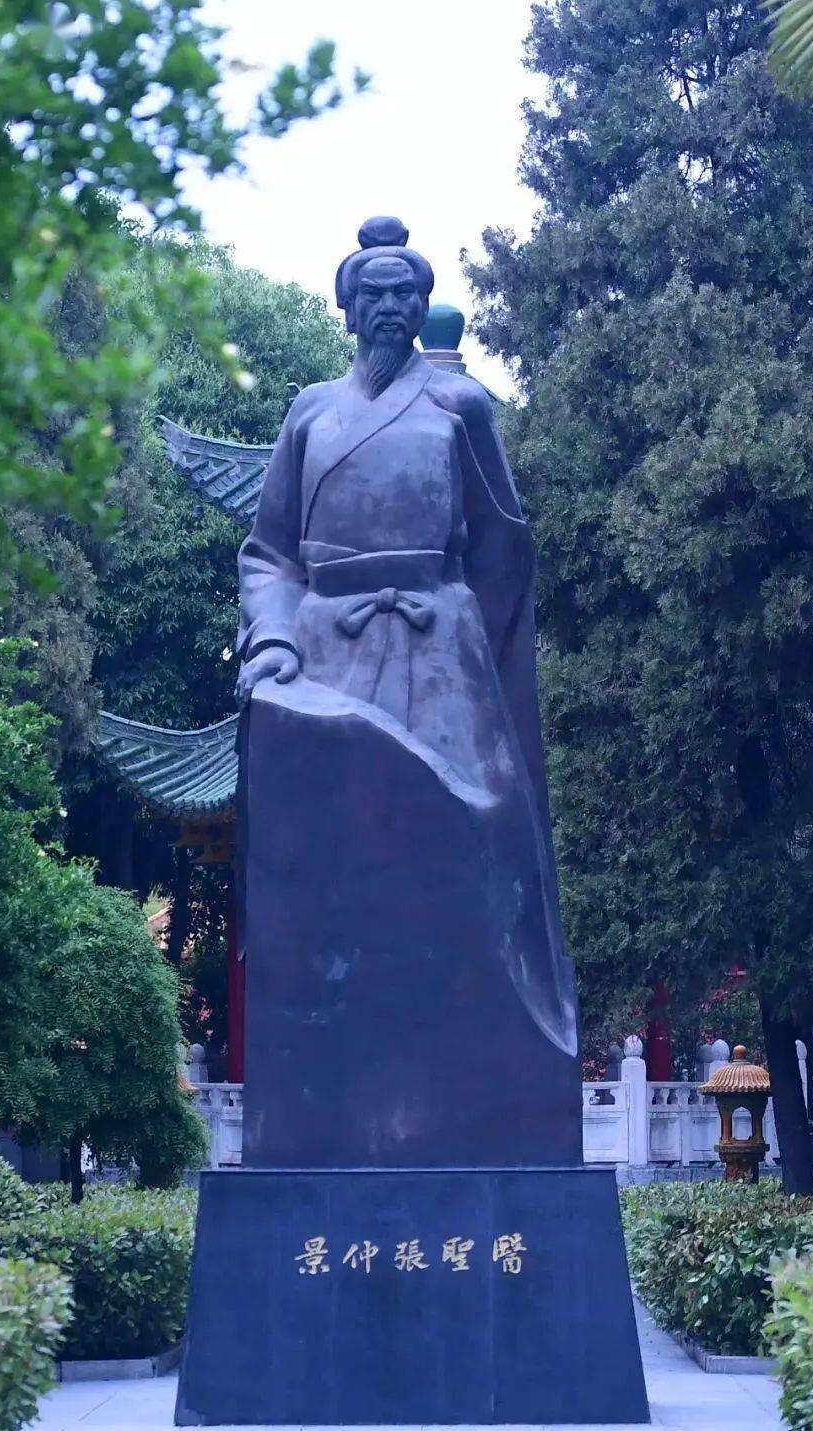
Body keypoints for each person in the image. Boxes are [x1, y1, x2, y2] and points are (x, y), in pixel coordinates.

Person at [234, 218, 580, 1169]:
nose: (388, 306)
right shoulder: (309, 413)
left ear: (421, 306)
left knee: (490, 830)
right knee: (345, 859)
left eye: (403, 292)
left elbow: (506, 544)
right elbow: (268, 553)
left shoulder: (461, 406)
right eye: (371, 291)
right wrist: (271, 640)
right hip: (326, 646)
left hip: (441, 640)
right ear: (346, 306)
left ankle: (486, 1068)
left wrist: (485, 646)